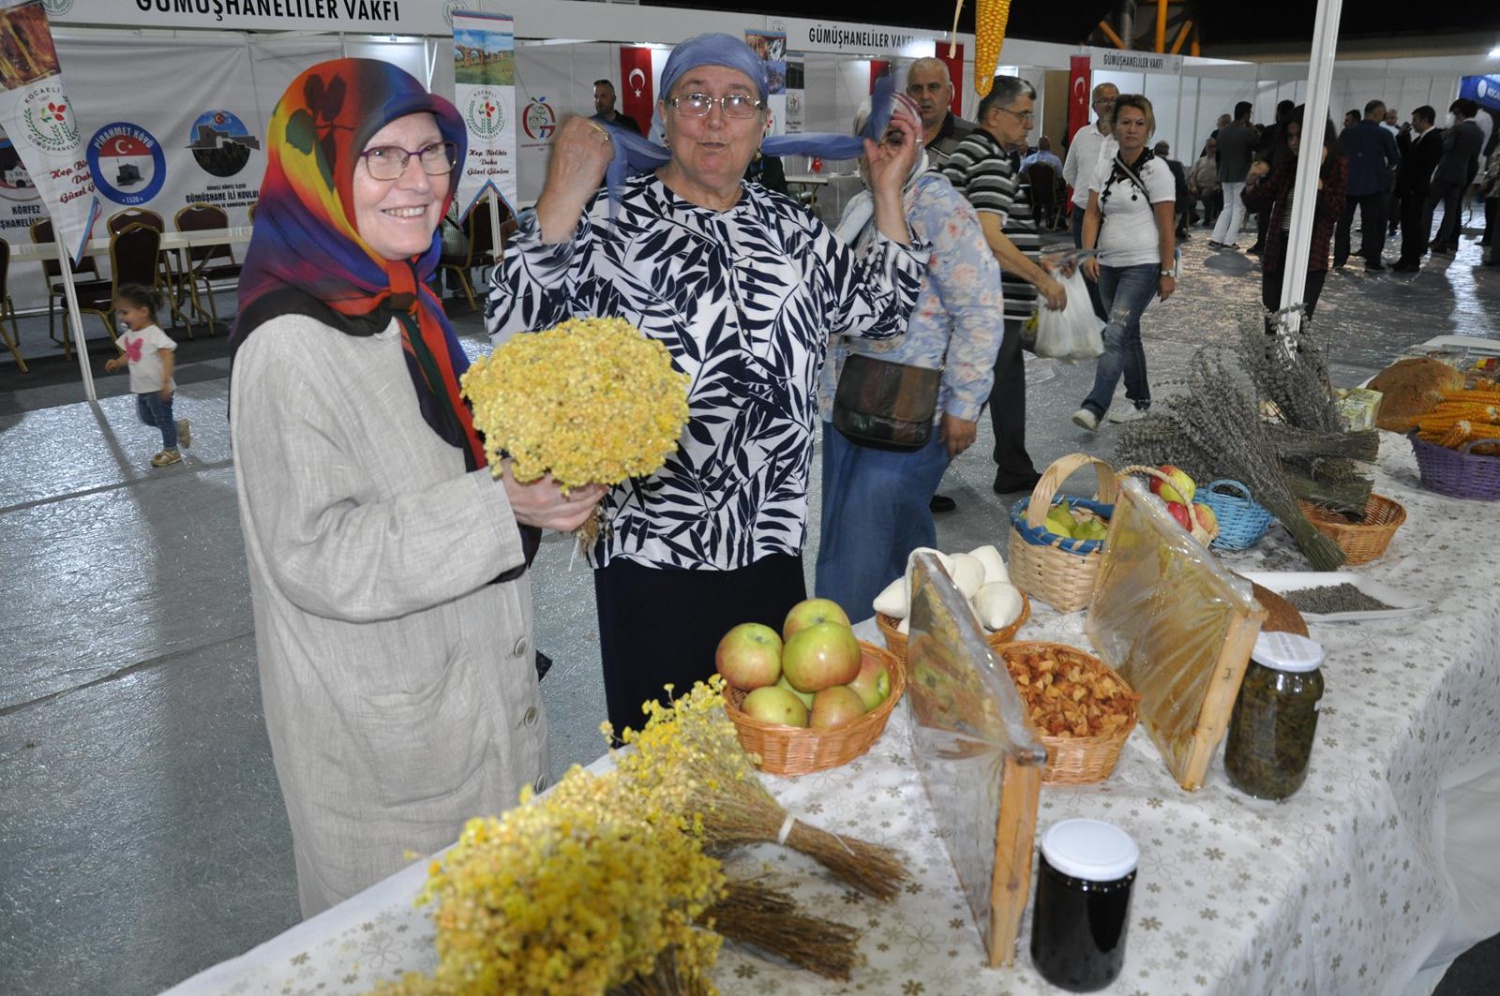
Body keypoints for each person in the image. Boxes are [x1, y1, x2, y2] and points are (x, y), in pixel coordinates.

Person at [229, 58, 605, 917]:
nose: (421, 180)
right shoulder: (290, 344)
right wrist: (501, 503)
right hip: (385, 745)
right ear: (320, 173)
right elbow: (314, 554)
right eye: (383, 156)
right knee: (408, 941)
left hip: (468, 688)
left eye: (432, 152)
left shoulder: (403, 300)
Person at [487, 34, 927, 735]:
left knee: (769, 747)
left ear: (764, 123)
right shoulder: (612, 222)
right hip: (650, 551)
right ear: (665, 116)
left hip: (770, 538)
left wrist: (887, 193)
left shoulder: (793, 230)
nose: (715, 118)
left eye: (737, 101)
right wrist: (563, 192)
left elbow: (886, 311)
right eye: (695, 98)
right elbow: (513, 324)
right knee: (663, 754)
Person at [815, 100, 1004, 616]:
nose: (881, 151)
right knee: (879, 535)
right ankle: (911, 637)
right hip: (851, 405)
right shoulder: (864, 205)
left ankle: (854, 647)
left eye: (895, 138)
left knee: (861, 550)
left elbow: (981, 310)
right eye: (872, 139)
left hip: (908, 410)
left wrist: (964, 404)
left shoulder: (940, 207)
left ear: (918, 142)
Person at [941, 75, 1068, 495]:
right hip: (988, 303)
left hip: (991, 300)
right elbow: (988, 238)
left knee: (1007, 383)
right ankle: (916, 484)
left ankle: (1014, 465)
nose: (1029, 124)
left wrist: (1033, 258)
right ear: (995, 115)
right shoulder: (991, 160)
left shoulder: (970, 152)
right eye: (1023, 115)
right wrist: (1041, 280)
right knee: (969, 395)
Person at [1074, 93, 1176, 431]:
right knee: (1127, 334)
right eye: (1126, 122)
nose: (1132, 129)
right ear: (1114, 127)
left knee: (1115, 333)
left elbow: (1166, 225)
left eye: (1139, 123)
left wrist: (1167, 271)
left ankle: (1094, 406)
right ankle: (1140, 400)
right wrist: (1088, 254)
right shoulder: (1104, 167)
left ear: (1149, 129)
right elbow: (1091, 214)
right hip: (1107, 265)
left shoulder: (1157, 170)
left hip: (1143, 265)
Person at [1241, 107, 1348, 328]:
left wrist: (1318, 182)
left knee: (1296, 327)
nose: (1294, 142)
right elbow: (1256, 202)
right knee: (1272, 325)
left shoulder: (1337, 164)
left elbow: (1335, 211)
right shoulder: (1289, 165)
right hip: (1278, 252)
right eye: (1290, 136)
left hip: (1310, 257)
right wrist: (1251, 181)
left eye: (1299, 136)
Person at [103, 283, 191, 468]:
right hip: (142, 387)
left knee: (162, 419)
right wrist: (118, 362)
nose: (121, 317)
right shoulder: (131, 334)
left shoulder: (153, 333)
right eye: (119, 313)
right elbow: (131, 354)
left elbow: (167, 356)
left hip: (158, 387)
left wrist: (165, 381)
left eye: (125, 312)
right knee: (147, 418)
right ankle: (178, 427)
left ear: (143, 312)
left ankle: (171, 451)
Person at [1063, 82, 1118, 319]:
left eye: (1114, 99)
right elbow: (1069, 172)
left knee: (1112, 270)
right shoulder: (1082, 135)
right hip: (1083, 213)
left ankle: (1111, 319)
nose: (1110, 105)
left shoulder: (1126, 137)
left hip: (1115, 217)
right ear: (1094, 106)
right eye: (1104, 100)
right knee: (1088, 269)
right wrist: (1087, 194)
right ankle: (1095, 322)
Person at [1333, 99, 1400, 270]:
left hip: (1348, 184)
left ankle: (1339, 259)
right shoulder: (1384, 134)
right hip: (1374, 186)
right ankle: (1372, 261)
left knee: (1343, 224)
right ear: (1378, 113)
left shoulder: (1347, 133)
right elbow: (1394, 158)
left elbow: (1337, 155)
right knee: (1372, 225)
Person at [1426, 99, 1484, 256]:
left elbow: (1446, 147)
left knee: (1428, 205)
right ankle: (1444, 241)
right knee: (1451, 210)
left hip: (1445, 172)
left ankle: (1422, 238)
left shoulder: (1458, 129)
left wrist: (1442, 137)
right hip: (1461, 175)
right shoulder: (1479, 133)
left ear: (1460, 113)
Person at [1392, 106, 1443, 272]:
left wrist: (1414, 187)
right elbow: (1408, 158)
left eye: (1415, 120)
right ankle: (1406, 257)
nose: (1413, 123)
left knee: (1413, 226)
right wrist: (1402, 138)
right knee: (1407, 225)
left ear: (1425, 120)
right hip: (1410, 188)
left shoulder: (1433, 139)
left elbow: (1422, 166)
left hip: (1416, 190)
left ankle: (1412, 260)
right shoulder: (1421, 139)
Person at [905, 57, 975, 166]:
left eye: (933, 87)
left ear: (948, 92)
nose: (925, 96)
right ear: (908, 95)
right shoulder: (891, 135)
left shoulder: (972, 138)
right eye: (917, 88)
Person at [1208, 101, 1257, 251]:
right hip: (1241, 174)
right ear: (1246, 114)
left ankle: (1216, 238)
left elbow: (1219, 156)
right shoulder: (1247, 132)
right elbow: (1258, 145)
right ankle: (1229, 241)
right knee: (1239, 208)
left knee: (1227, 207)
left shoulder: (1222, 132)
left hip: (1225, 174)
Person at [1154, 139, 1193, 242]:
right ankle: (1179, 229)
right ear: (1167, 152)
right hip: (1173, 200)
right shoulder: (1176, 165)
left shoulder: (1148, 164)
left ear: (1154, 151)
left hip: (1151, 199)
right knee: (1190, 202)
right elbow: (1181, 185)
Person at [1188, 137, 1222, 229]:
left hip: (1211, 186)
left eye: (1213, 146)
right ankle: (1193, 216)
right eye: (1209, 147)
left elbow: (1222, 176)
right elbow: (1193, 175)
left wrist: (1218, 184)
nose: (1211, 149)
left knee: (1206, 195)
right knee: (1187, 196)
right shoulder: (1200, 160)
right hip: (1198, 184)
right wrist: (1193, 186)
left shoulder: (1219, 161)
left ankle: (1207, 219)